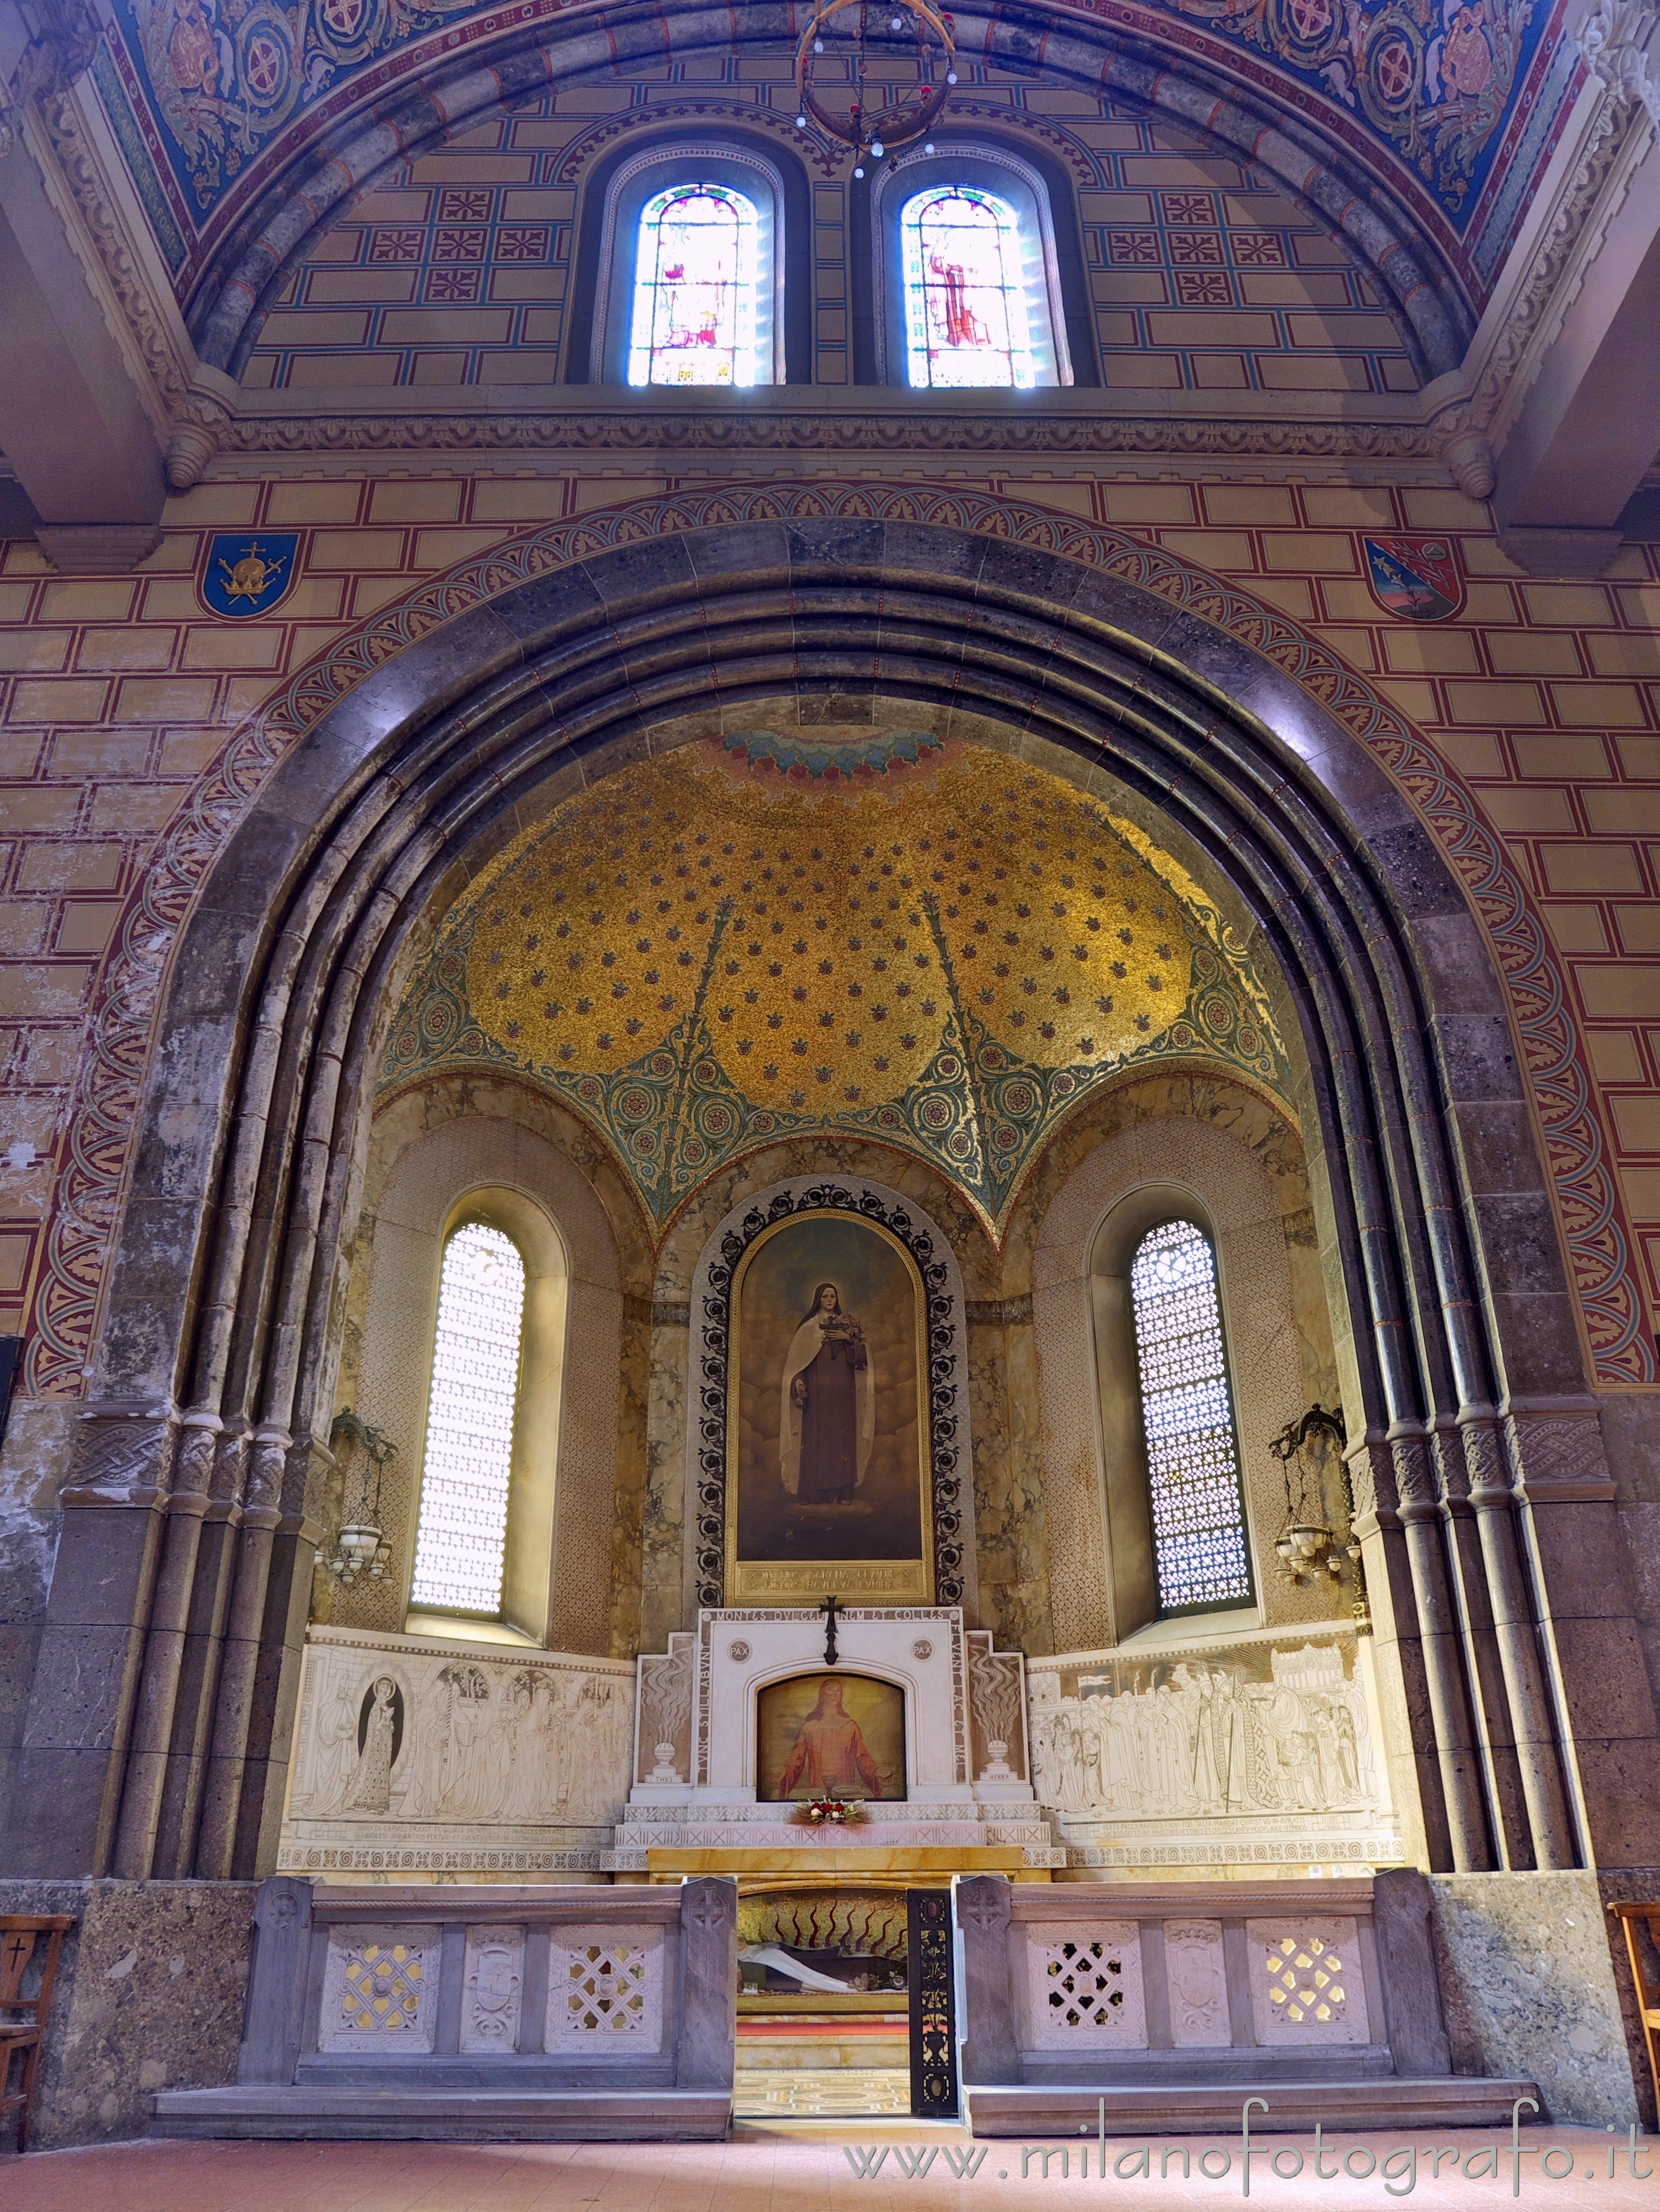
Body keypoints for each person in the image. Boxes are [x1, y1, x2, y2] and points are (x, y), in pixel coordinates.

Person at [779, 1282, 875, 1506]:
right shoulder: (809, 1328)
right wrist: (799, 1381)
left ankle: (842, 1493)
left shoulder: (848, 1326)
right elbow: (797, 1364)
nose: (830, 1300)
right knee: (817, 1439)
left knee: (842, 1440)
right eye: (825, 1297)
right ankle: (813, 1494)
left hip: (843, 1395)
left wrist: (848, 1338)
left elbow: (861, 1360)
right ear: (818, 1300)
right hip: (819, 1394)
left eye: (833, 1296)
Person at [777, 1677, 889, 1798]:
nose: (835, 1694)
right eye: (830, 1690)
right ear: (822, 1694)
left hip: (847, 1792)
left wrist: (876, 1772)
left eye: (838, 1691)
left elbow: (863, 1758)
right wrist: (783, 1772)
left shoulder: (851, 1726)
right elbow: (796, 1760)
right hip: (818, 1793)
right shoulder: (809, 1728)